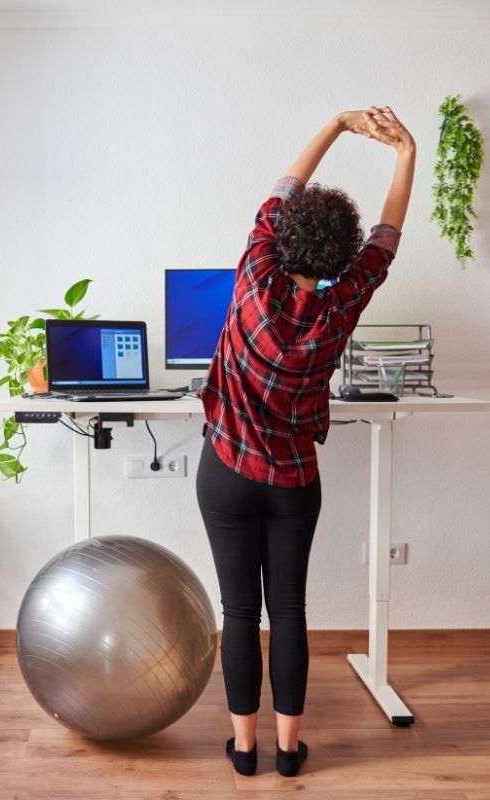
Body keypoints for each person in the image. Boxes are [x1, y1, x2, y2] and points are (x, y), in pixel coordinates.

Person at [196, 107, 415, 777]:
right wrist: (405, 150)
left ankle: (243, 747)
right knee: (287, 609)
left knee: (239, 612)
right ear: (339, 258)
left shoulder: (254, 273)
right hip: (293, 482)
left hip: (226, 471)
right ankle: (290, 752)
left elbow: (281, 190)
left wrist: (338, 124)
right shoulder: (342, 301)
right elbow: (386, 238)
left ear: (281, 237)